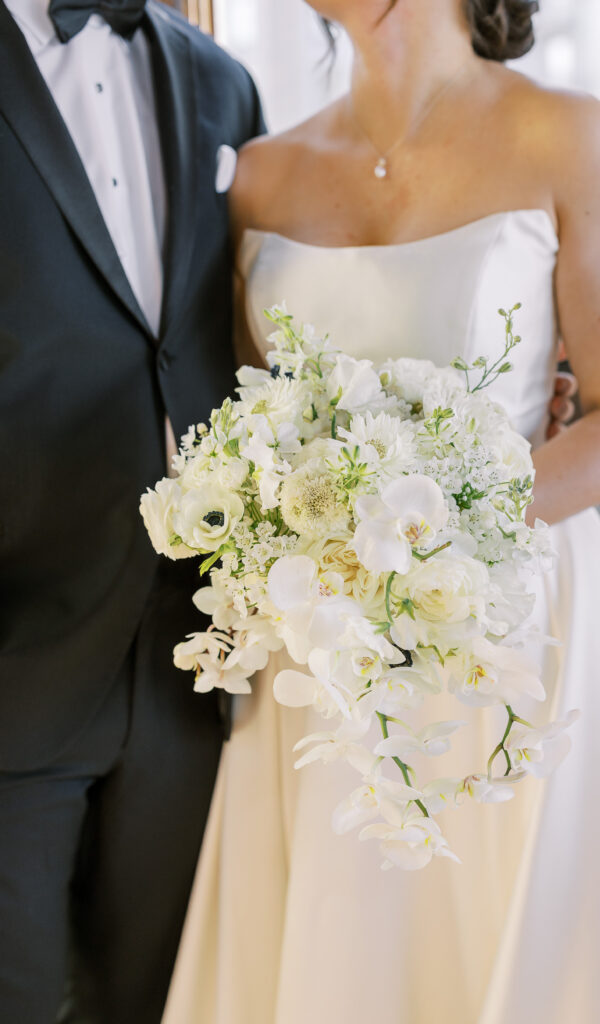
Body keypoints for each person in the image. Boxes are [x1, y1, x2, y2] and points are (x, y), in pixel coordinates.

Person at [162, 1, 600, 1022]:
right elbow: (249, 427)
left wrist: (437, 533)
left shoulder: (562, 134)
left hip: (524, 636)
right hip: (326, 665)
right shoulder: (261, 174)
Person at [0, 1, 265, 1021]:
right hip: (20, 634)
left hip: (191, 652)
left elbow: (264, 314)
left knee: (161, 996)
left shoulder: (222, 81)